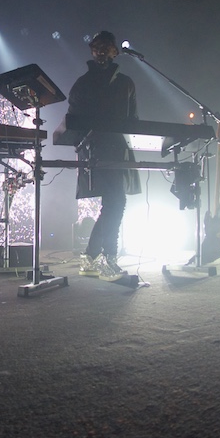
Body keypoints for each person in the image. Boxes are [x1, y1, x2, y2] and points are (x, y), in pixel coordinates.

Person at [66, 30, 140, 279]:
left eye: (106, 46)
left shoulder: (126, 83)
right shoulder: (82, 83)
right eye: (96, 46)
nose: (101, 50)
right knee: (116, 204)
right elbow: (73, 121)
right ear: (91, 51)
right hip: (97, 152)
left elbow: (133, 120)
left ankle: (91, 256)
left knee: (113, 205)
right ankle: (107, 259)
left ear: (115, 51)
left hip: (119, 150)